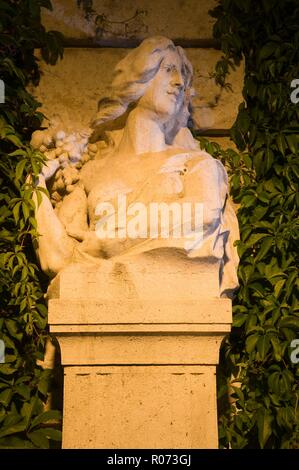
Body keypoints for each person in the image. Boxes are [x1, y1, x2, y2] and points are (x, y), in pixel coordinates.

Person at [31, 36, 239, 297]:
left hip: (177, 297)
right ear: (140, 76)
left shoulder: (195, 165)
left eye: (181, 75)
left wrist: (109, 241)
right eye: (168, 69)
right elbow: (58, 260)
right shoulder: (91, 174)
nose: (179, 82)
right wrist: (35, 187)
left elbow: (204, 214)